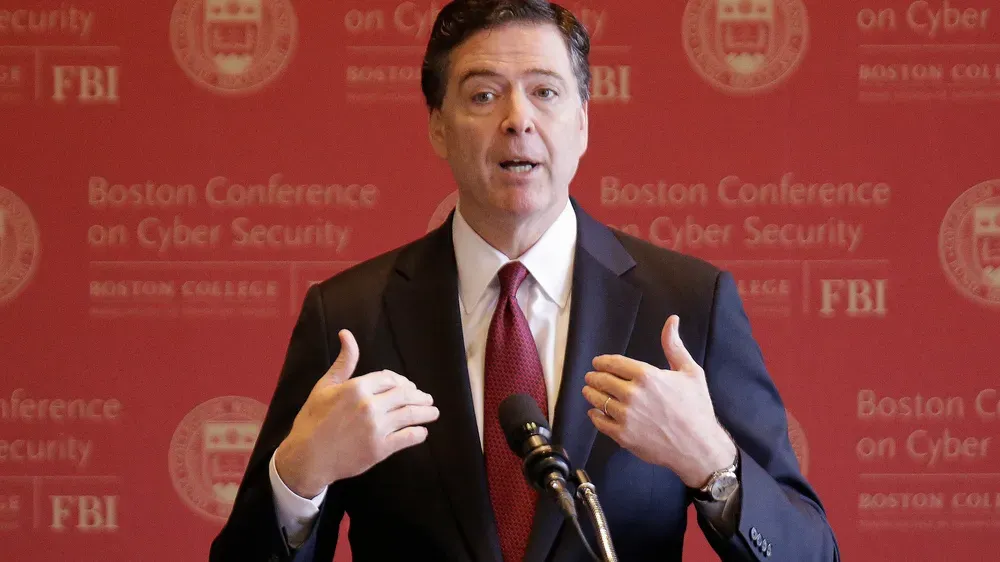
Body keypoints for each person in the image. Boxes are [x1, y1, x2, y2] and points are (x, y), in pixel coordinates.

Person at [210, 1, 840, 560]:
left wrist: (713, 464)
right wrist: (299, 478)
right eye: (484, 95)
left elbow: (813, 552)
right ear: (437, 126)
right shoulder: (349, 316)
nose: (518, 119)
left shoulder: (687, 305)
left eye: (545, 91)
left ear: (583, 121)